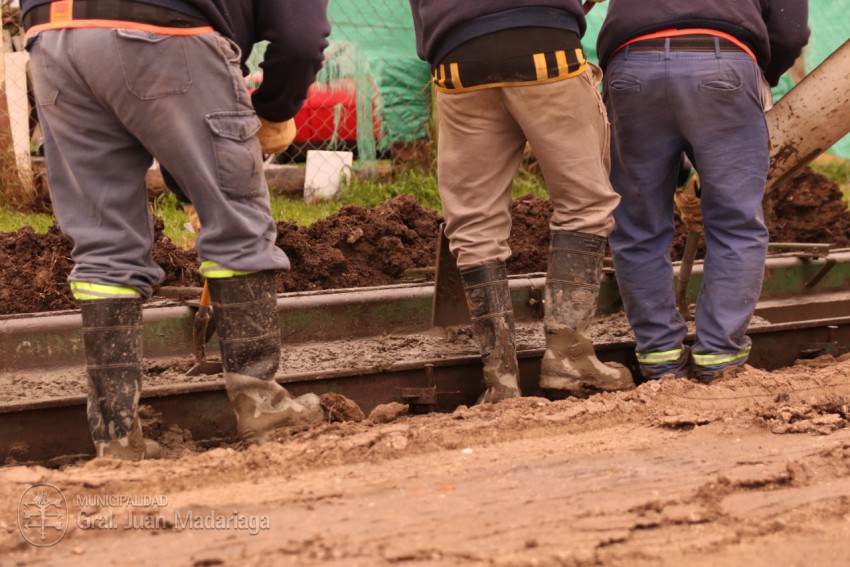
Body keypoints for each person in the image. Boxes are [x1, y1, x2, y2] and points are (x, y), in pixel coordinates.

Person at [21, 0, 331, 459]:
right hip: (165, 27)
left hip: (52, 33)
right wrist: (272, 110)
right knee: (238, 225)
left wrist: (189, 183)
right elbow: (302, 39)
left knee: (103, 246)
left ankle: (116, 441)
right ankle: (264, 410)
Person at [409, 0, 635, 402]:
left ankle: (501, 382)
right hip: (544, 45)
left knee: (474, 224)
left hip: (458, 59)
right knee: (583, 203)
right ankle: (569, 358)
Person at [598, 1, 809, 382]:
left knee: (637, 227)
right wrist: (756, 75)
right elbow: (790, 31)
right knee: (735, 223)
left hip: (630, 67)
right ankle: (719, 358)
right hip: (722, 63)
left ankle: (660, 360)